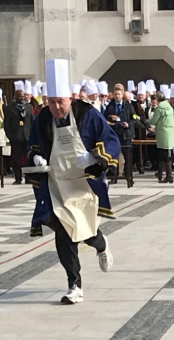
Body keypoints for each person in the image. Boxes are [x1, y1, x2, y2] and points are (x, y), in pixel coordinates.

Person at [25, 59, 120, 304]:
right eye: (52, 102)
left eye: (61, 102)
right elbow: (33, 142)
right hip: (57, 183)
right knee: (64, 232)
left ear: (71, 98)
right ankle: (74, 285)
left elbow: (111, 141)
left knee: (83, 230)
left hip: (84, 184)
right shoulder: (43, 118)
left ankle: (100, 243)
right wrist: (36, 156)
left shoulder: (88, 115)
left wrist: (93, 157)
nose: (57, 107)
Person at [104, 85, 138, 185]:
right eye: (115, 94)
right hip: (115, 133)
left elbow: (134, 117)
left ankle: (129, 177)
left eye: (119, 94)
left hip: (126, 134)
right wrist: (111, 120)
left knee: (128, 157)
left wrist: (128, 123)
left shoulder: (128, 106)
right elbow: (105, 118)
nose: (117, 96)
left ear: (122, 94)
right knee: (114, 157)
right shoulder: (110, 106)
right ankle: (114, 176)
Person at [4, 87, 34, 185]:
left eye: (22, 96)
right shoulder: (9, 108)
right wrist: (11, 136)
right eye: (19, 96)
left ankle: (29, 177)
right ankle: (18, 178)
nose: (21, 98)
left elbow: (32, 121)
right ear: (15, 97)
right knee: (16, 159)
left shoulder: (29, 107)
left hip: (27, 136)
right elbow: (6, 125)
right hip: (16, 138)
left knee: (28, 158)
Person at [147, 90, 174, 183]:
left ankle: (169, 175)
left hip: (162, 132)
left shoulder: (159, 108)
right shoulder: (169, 107)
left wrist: (146, 121)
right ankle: (160, 173)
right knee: (165, 153)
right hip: (170, 132)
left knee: (164, 154)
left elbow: (154, 121)